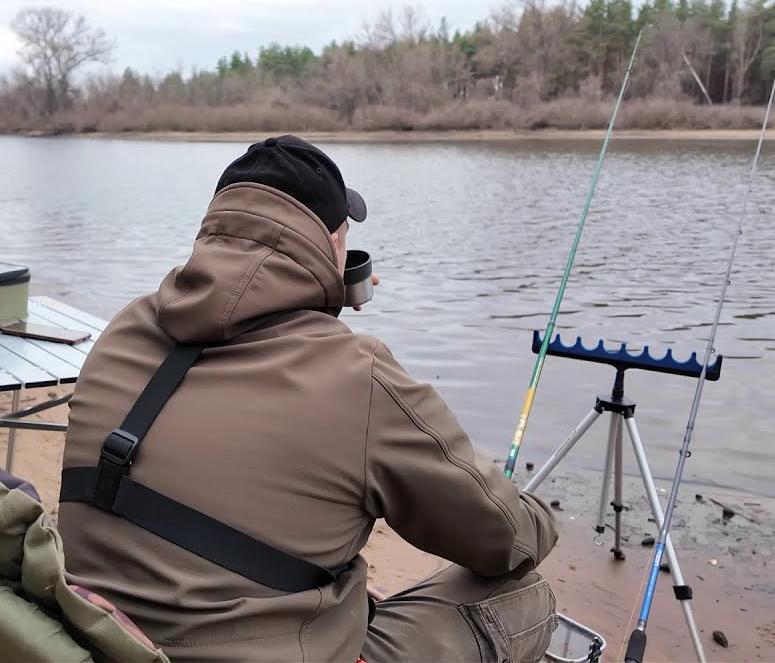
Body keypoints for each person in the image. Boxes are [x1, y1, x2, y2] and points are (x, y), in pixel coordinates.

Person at [57, 134, 560, 663]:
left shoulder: (125, 327)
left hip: (100, 639)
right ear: (333, 245)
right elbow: (506, 541)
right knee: (524, 598)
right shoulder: (358, 375)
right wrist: (533, 513)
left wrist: (310, 314)